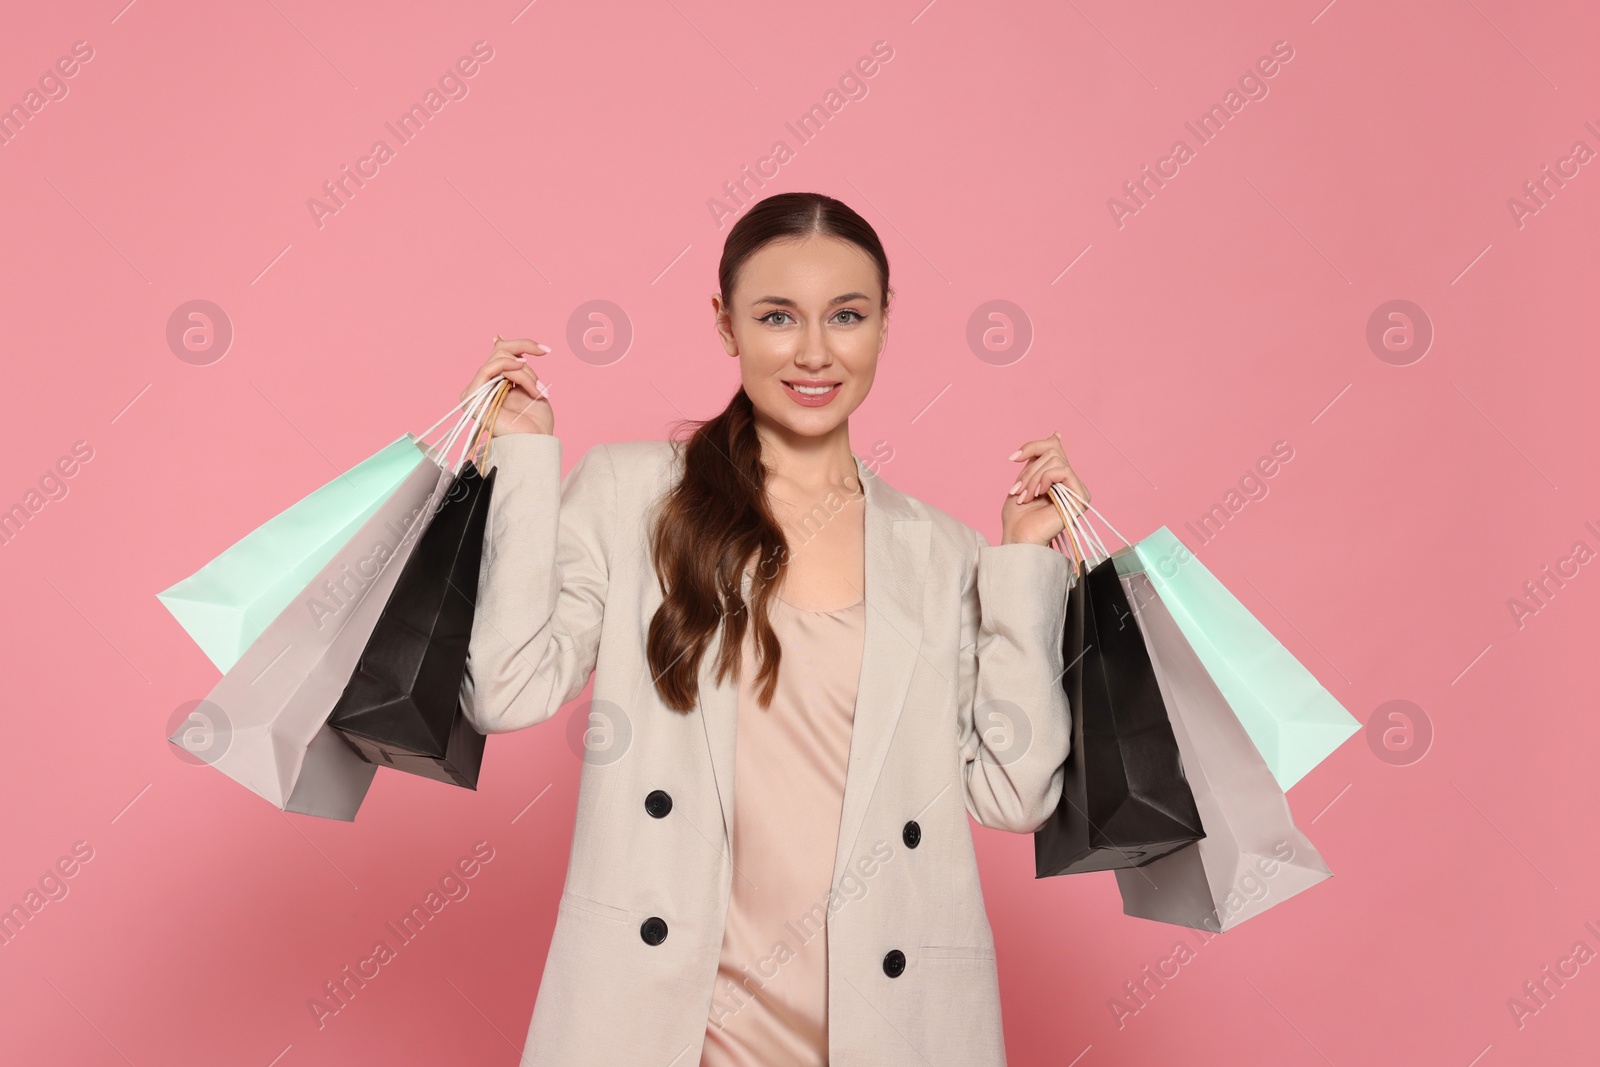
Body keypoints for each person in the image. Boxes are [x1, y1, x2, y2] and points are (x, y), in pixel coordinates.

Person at [457, 191, 1091, 1066]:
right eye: (778, 316)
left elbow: (1016, 794)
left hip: (883, 1027)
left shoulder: (940, 553)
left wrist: (1024, 565)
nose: (815, 351)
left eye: (847, 315)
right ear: (725, 326)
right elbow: (504, 685)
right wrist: (525, 457)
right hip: (669, 1027)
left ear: (883, 324)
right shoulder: (632, 496)